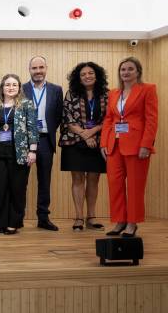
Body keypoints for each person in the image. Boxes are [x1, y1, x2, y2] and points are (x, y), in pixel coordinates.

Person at [101, 57, 158, 237]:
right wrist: (104, 143)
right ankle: (120, 221)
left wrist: (146, 144)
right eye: (123, 69)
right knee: (115, 185)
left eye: (130, 69)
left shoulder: (147, 89)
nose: (126, 72)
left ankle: (132, 223)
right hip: (114, 145)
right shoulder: (113, 93)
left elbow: (151, 119)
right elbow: (109, 119)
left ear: (138, 72)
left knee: (134, 187)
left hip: (137, 146)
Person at [0, 74, 38, 234]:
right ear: (2, 87)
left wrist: (32, 151)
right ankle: (0, 222)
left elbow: (32, 129)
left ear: (19, 88)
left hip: (19, 155)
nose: (11, 87)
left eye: (14, 85)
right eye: (7, 84)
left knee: (17, 189)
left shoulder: (26, 105)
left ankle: (14, 222)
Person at [59, 62, 109, 231]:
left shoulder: (107, 94)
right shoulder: (71, 94)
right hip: (74, 141)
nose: (87, 76)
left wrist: (92, 132)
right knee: (77, 179)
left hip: (98, 141)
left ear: (97, 75)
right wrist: (85, 135)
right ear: (78, 78)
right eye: (83, 74)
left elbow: (109, 118)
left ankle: (91, 217)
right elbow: (67, 118)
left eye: (90, 73)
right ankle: (79, 217)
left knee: (94, 179)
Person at [22, 56, 63, 231]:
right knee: (20, 180)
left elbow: (59, 115)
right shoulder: (21, 89)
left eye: (41, 67)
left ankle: (43, 218)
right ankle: (18, 217)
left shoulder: (56, 90)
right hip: (24, 142)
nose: (38, 71)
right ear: (29, 70)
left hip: (46, 140)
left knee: (44, 181)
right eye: (34, 68)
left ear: (46, 68)